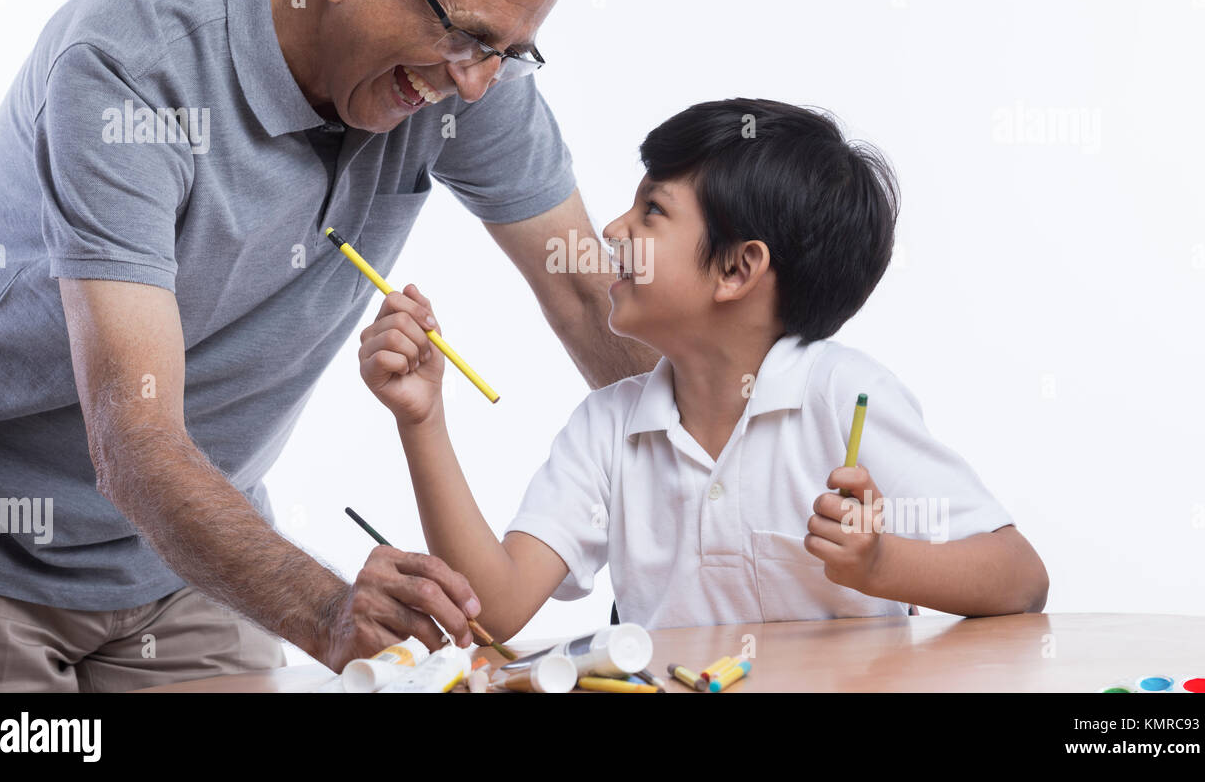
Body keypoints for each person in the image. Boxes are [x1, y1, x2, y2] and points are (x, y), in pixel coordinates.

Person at [0, 0, 656, 691]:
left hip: (192, 562)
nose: (475, 85)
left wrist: (746, 485)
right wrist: (326, 612)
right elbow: (133, 439)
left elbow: (590, 298)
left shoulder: (471, 71)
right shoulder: (134, 66)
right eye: (468, 38)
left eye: (506, 54)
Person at [357, 98, 1049, 636]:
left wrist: (879, 564)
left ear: (737, 268)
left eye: (651, 211)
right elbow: (496, 610)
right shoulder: (607, 428)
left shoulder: (844, 396)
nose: (610, 231)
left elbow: (1020, 580)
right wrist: (423, 419)